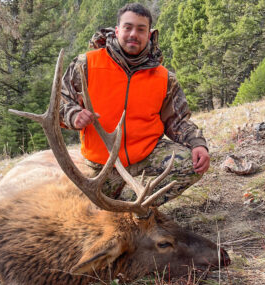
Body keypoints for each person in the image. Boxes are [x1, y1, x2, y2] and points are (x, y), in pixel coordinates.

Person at [60, 3, 210, 205]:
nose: (133, 34)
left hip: (147, 156)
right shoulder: (86, 64)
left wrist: (197, 143)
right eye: (128, 27)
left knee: (189, 165)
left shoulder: (164, 78)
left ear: (149, 34)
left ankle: (130, 207)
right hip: (101, 165)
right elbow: (60, 103)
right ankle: (124, 207)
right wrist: (73, 114)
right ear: (117, 30)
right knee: (76, 209)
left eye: (141, 29)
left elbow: (178, 121)